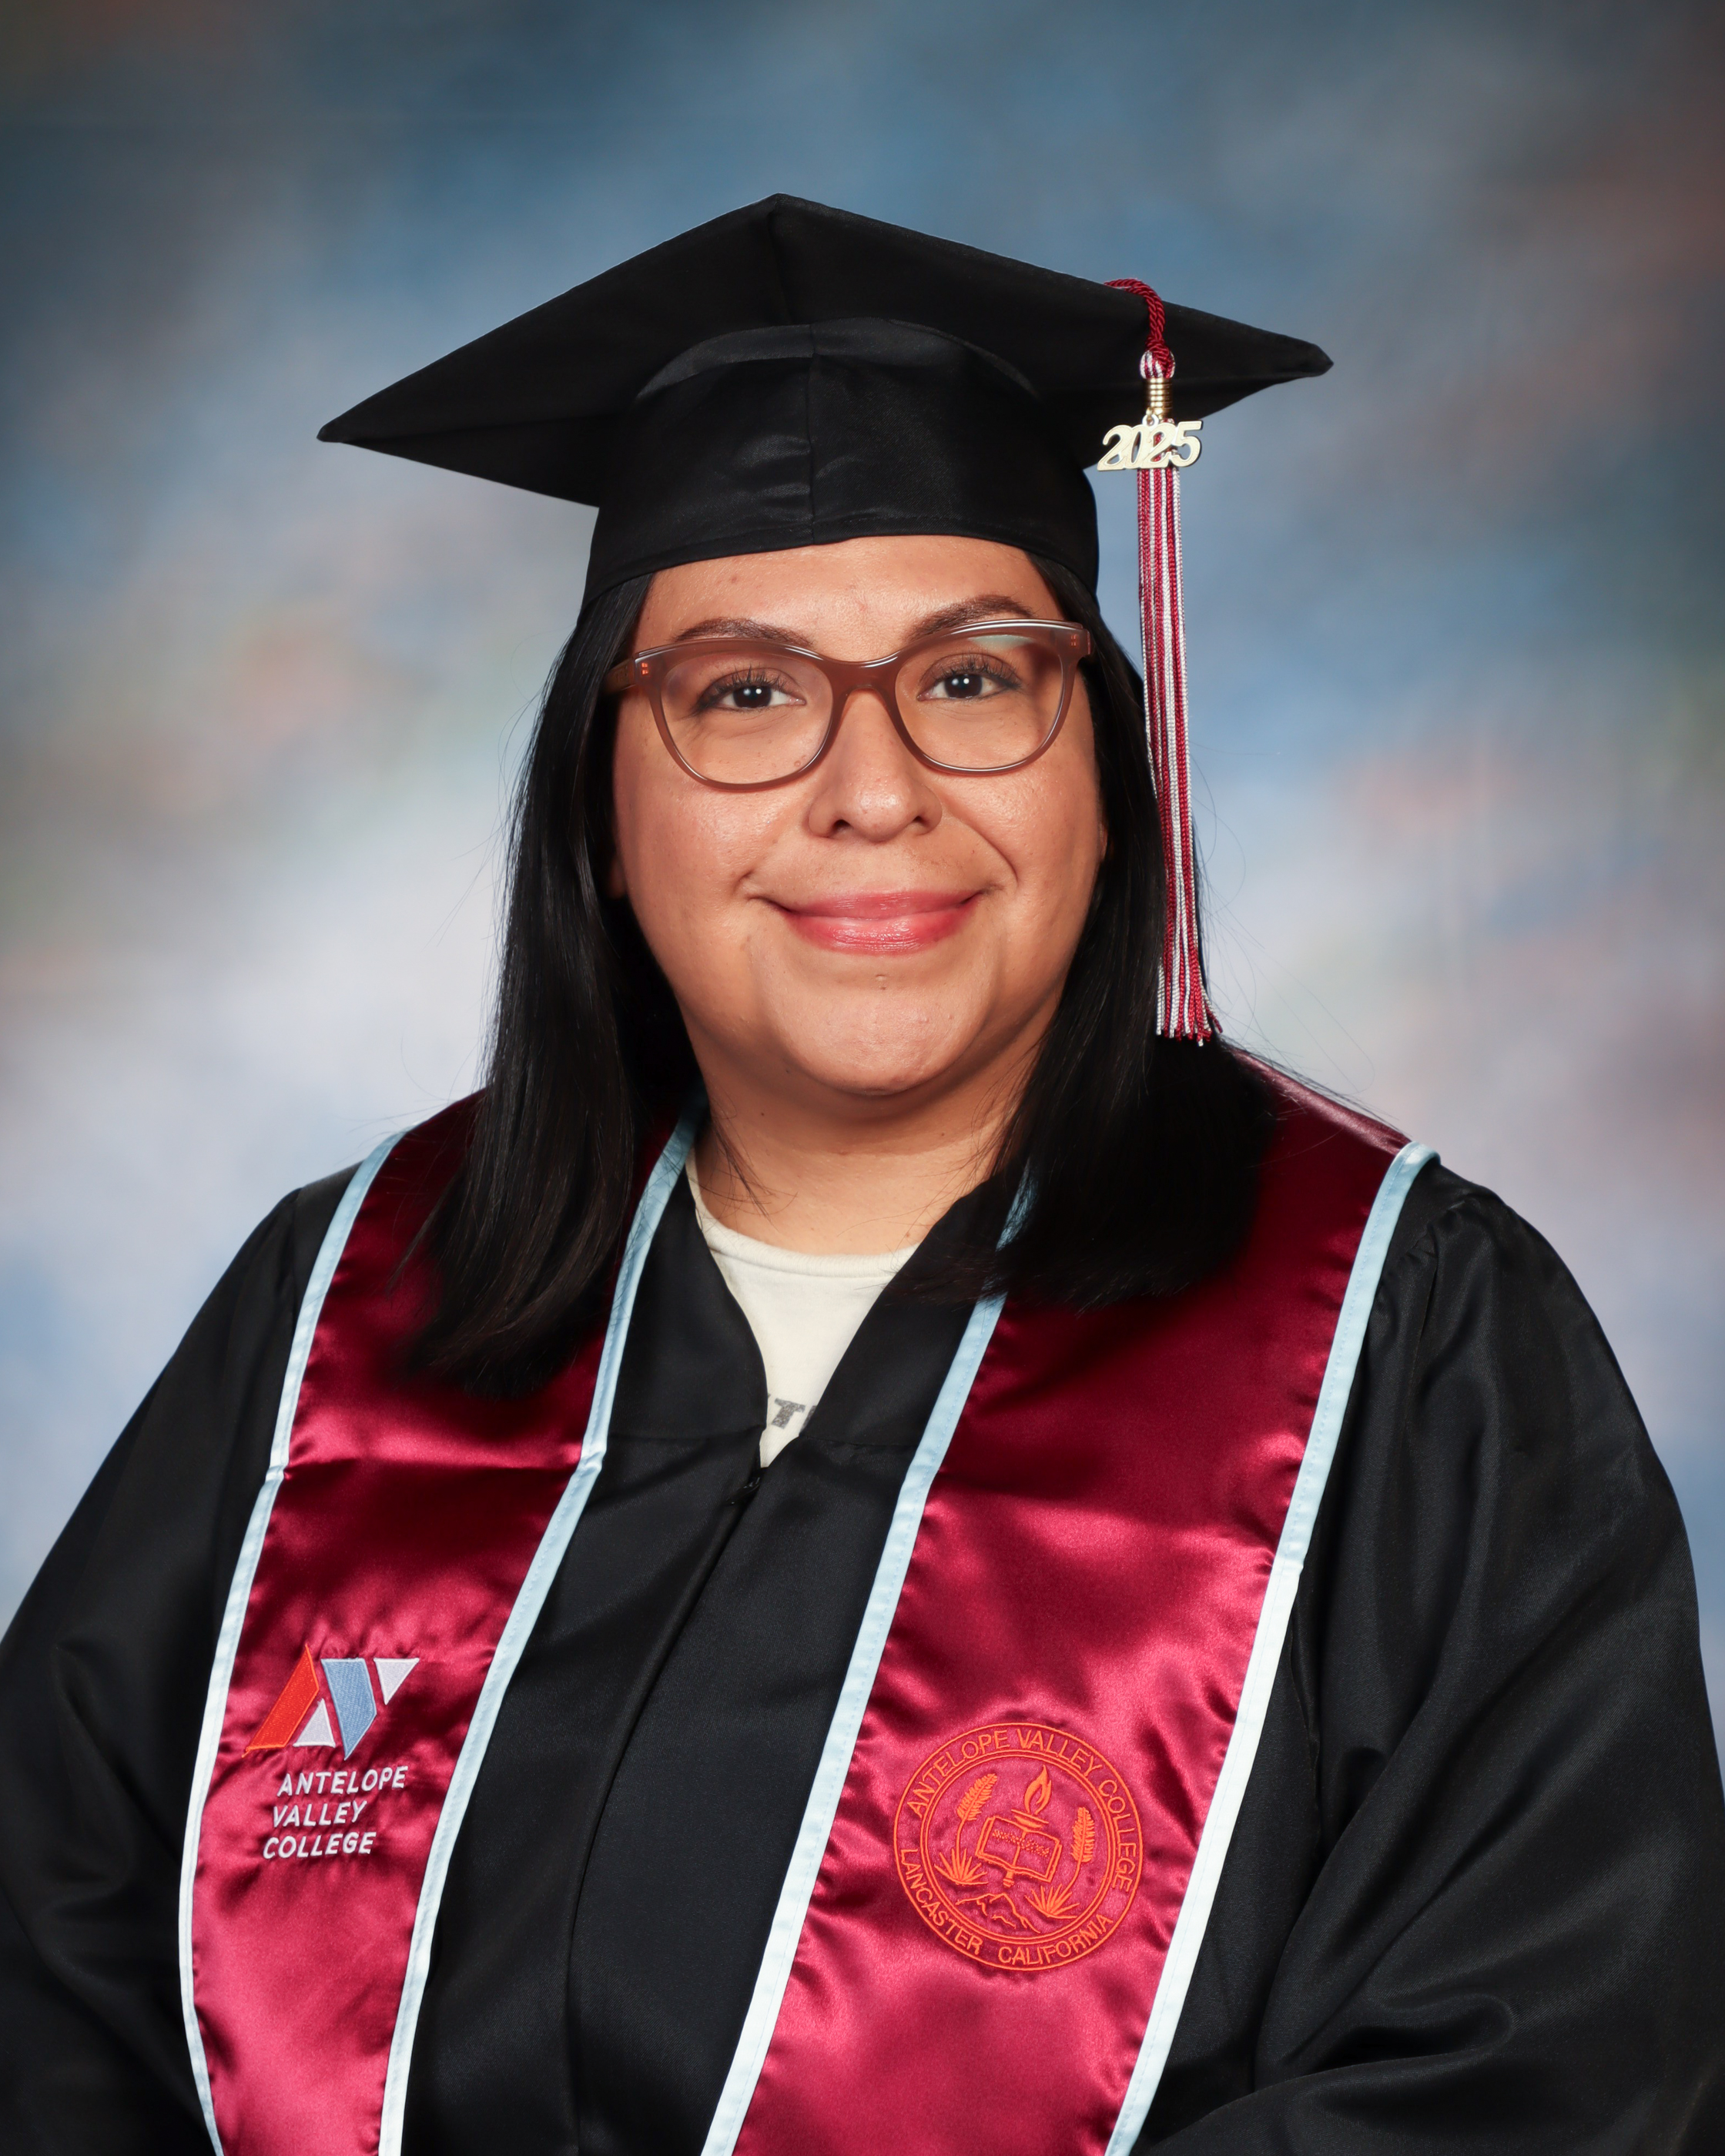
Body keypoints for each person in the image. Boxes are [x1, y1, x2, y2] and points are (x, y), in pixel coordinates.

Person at [1, 196, 1720, 2156]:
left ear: (1102, 770)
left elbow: (1539, 2077)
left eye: (975, 678)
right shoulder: (340, 1312)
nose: (875, 788)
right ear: (603, 808)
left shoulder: (1402, 1337)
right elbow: (50, 1985)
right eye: (743, 693)